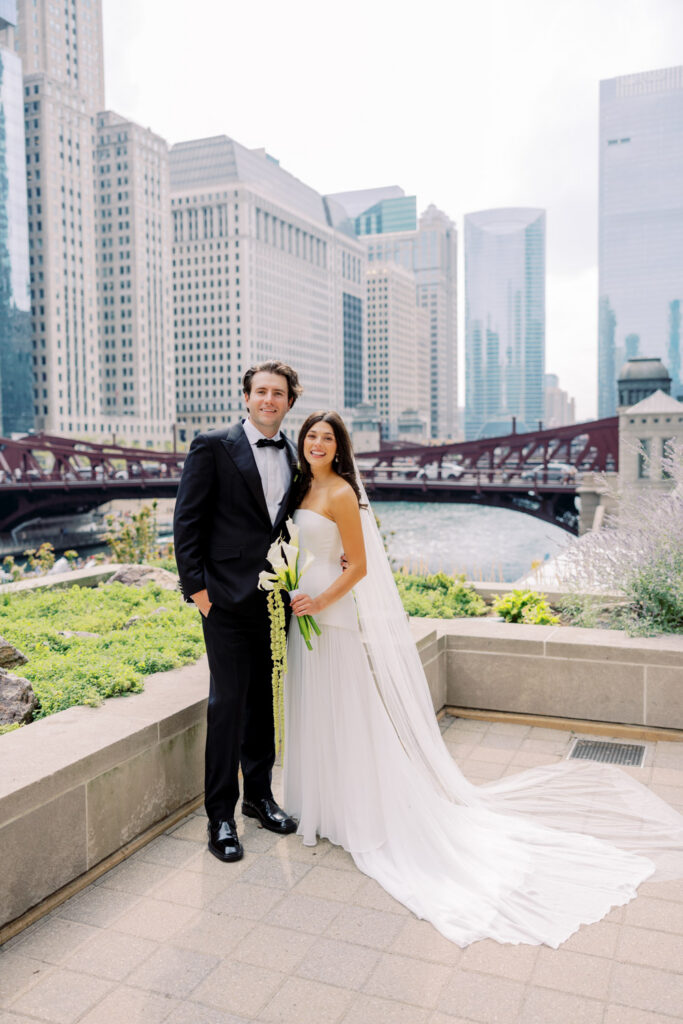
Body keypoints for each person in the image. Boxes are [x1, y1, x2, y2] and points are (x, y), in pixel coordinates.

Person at [283, 411, 683, 947]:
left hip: (326, 610)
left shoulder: (340, 493)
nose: (317, 443)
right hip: (299, 611)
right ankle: (319, 807)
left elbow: (358, 567)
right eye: (310, 435)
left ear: (340, 446)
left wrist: (320, 598)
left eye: (327, 437)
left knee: (344, 709)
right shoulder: (302, 486)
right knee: (315, 709)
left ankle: (355, 812)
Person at [173, 360, 301, 863]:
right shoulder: (212, 445)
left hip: (276, 601)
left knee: (265, 704)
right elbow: (187, 521)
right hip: (223, 599)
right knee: (226, 704)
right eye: (261, 392)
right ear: (246, 397)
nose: (269, 400)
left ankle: (260, 799)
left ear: (290, 401)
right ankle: (220, 817)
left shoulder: (294, 453)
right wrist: (197, 593)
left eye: (279, 393)